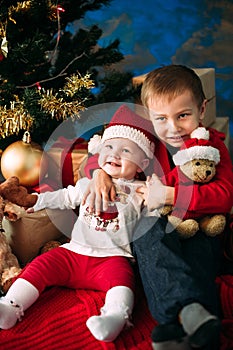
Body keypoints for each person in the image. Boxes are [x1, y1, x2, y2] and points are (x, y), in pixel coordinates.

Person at [83, 65, 233, 349]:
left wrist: (169, 195)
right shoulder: (146, 145)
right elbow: (106, 152)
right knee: (146, 231)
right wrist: (99, 172)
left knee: (197, 251)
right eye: (161, 119)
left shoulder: (211, 147)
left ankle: (191, 326)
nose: (173, 127)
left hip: (202, 229)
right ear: (149, 118)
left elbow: (224, 196)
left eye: (183, 116)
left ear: (202, 109)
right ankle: (183, 315)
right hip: (161, 230)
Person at [0, 105, 157, 343]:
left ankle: (115, 317)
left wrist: (159, 196)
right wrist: (34, 200)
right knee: (39, 267)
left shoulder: (140, 191)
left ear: (142, 164)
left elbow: (157, 213)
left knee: (124, 284)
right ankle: (11, 306)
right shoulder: (88, 183)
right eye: (110, 147)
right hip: (74, 253)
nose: (115, 155)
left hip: (111, 258)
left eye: (126, 151)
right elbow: (63, 197)